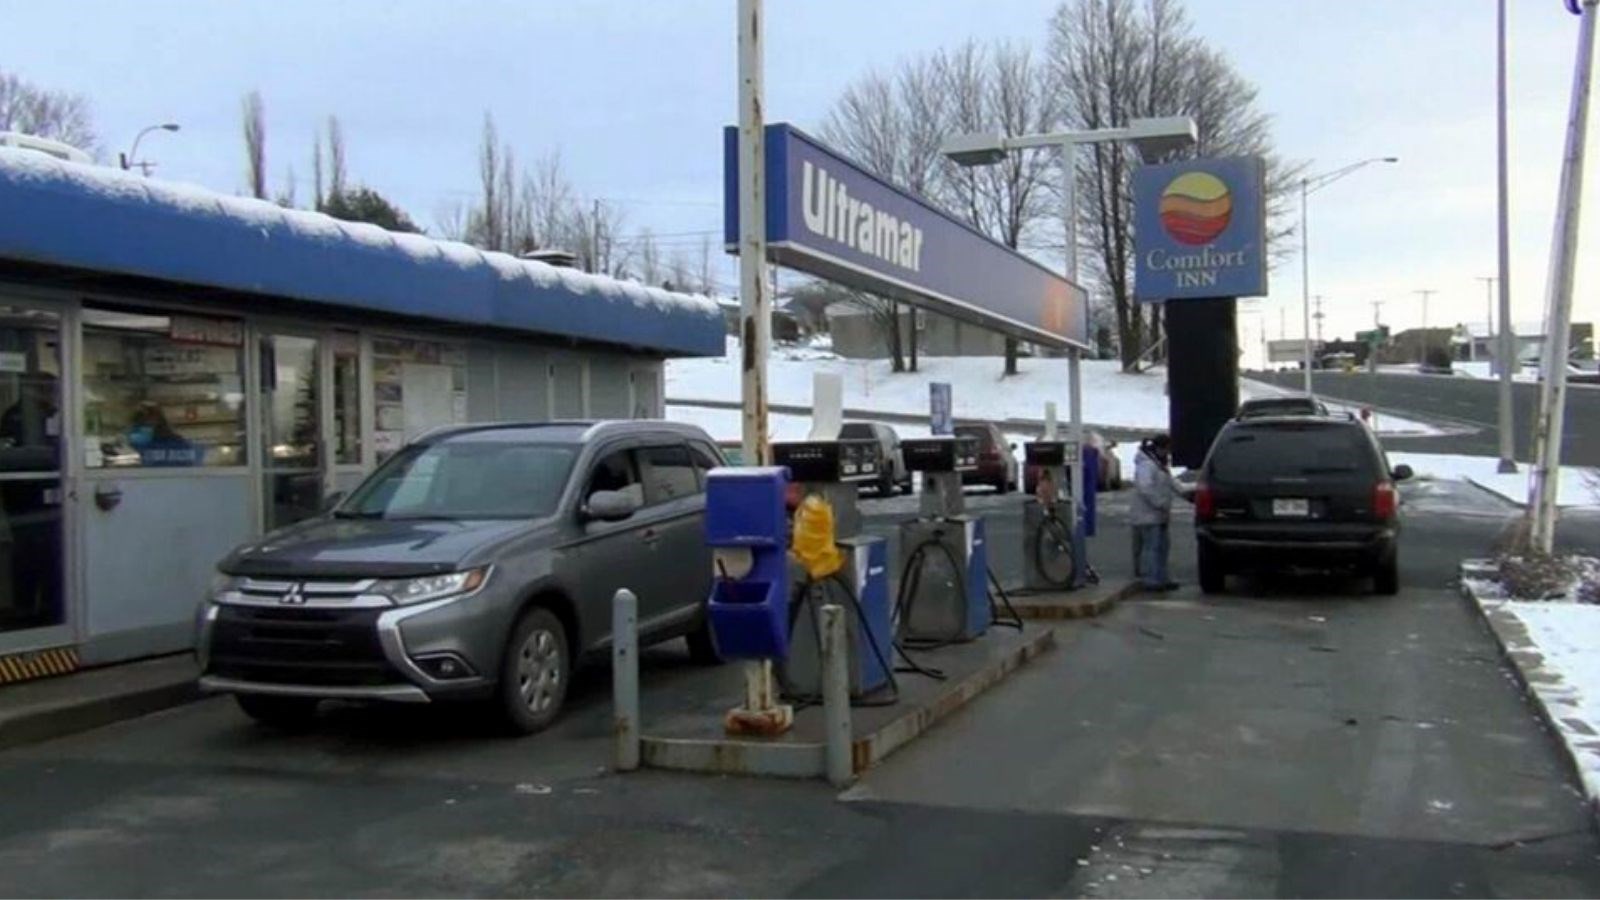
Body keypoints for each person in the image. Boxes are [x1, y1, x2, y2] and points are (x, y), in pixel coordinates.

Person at [1131, 433, 1184, 592]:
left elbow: (1172, 483)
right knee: (1151, 548)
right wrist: (1160, 503)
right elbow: (1145, 488)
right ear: (1161, 448)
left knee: (1162, 547)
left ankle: (1161, 577)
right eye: (1167, 449)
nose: (1168, 453)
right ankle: (1150, 579)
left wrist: (1191, 489)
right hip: (1147, 515)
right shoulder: (1146, 465)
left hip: (1159, 515)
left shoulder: (1158, 464)